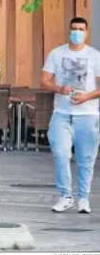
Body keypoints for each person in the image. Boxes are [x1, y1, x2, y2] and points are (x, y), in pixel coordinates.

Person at [41, 17, 100, 214]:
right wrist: (59, 87)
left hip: (88, 115)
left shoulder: (94, 56)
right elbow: (44, 80)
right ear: (68, 30)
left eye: (81, 29)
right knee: (61, 153)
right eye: (74, 28)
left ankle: (83, 198)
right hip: (62, 114)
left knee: (86, 159)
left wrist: (87, 97)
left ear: (86, 32)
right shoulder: (57, 54)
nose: (77, 32)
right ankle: (65, 196)